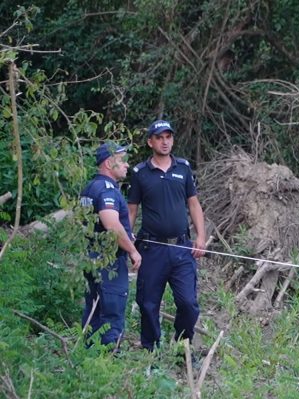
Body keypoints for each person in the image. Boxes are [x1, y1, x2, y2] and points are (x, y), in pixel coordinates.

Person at [128, 119, 206, 351]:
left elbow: (193, 205)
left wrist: (200, 237)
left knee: (188, 303)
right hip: (152, 249)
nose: (165, 142)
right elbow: (132, 210)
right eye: (159, 138)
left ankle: (182, 345)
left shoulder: (182, 168)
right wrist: (128, 242)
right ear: (150, 142)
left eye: (168, 137)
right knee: (148, 303)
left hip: (181, 248)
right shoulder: (140, 173)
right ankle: (151, 349)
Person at [80, 142, 142, 349]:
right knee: (111, 311)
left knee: (94, 310)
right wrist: (132, 250)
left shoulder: (90, 187)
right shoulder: (106, 190)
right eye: (122, 160)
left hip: (91, 259)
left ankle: (90, 356)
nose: (127, 165)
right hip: (108, 263)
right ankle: (108, 358)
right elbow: (111, 225)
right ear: (108, 163)